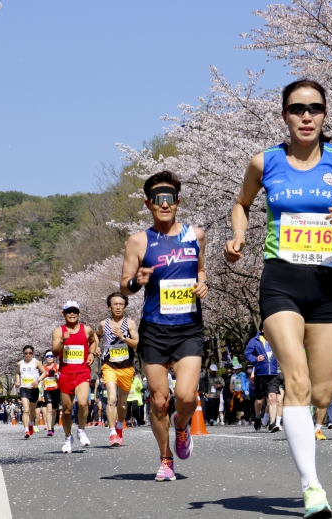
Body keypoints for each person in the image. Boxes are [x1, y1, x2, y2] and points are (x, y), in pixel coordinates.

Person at [224, 79, 332, 519]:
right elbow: (241, 204)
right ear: (284, 115)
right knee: (296, 380)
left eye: (315, 108)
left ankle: (308, 446)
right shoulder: (265, 161)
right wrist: (238, 236)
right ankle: (312, 487)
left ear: (325, 114)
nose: (306, 116)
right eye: (297, 108)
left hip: (327, 284)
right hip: (281, 280)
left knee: (322, 393)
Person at [121, 170, 209, 481]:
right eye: (158, 199)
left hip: (188, 327)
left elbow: (201, 271)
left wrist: (203, 284)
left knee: (185, 396)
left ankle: (182, 427)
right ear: (148, 203)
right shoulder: (138, 241)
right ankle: (165, 457)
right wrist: (137, 281)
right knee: (159, 401)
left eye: (170, 198)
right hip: (154, 329)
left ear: (177, 201)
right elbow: (124, 286)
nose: (164, 204)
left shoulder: (195, 235)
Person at [51, 300, 99, 453]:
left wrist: (91, 353)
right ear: (63, 314)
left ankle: (81, 430)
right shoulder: (58, 331)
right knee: (67, 410)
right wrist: (63, 341)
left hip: (82, 373)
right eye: (68, 311)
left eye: (75, 311)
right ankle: (68, 438)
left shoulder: (86, 329)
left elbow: (94, 341)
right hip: (66, 374)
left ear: (79, 313)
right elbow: (55, 352)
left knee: (83, 403)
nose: (72, 314)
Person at [97, 291, 140, 447]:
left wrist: (123, 337)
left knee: (122, 403)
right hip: (109, 365)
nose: (118, 307)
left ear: (125, 306)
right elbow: (96, 335)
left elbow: (137, 344)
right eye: (114, 304)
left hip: (126, 366)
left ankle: (119, 426)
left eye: (121, 304)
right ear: (109, 306)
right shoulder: (103, 324)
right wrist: (95, 347)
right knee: (112, 398)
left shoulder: (130, 323)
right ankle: (112, 433)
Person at [245, 328, 282, 432]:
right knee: (259, 401)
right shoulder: (255, 340)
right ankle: (257, 417)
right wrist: (255, 359)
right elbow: (247, 354)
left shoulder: (277, 340)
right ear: (263, 330)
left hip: (273, 374)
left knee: (273, 398)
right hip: (260, 374)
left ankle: (272, 423)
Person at [17, 345, 45, 439]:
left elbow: (44, 372)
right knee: (26, 410)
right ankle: (26, 430)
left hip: (34, 389)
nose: (28, 355)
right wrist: (17, 381)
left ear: (33, 353)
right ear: (23, 354)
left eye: (30, 353)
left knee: (33, 411)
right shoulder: (20, 363)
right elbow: (18, 373)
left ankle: (30, 424)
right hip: (24, 388)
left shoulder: (36, 362)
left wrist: (38, 380)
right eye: (26, 353)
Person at [41, 351, 60, 436]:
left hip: (56, 390)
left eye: (51, 356)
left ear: (54, 357)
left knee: (54, 410)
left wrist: (56, 375)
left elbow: (61, 377)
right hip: (47, 390)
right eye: (47, 356)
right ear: (45, 358)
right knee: (49, 409)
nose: (49, 358)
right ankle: (49, 429)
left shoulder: (57, 366)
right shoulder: (43, 368)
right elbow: (41, 379)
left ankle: (52, 427)